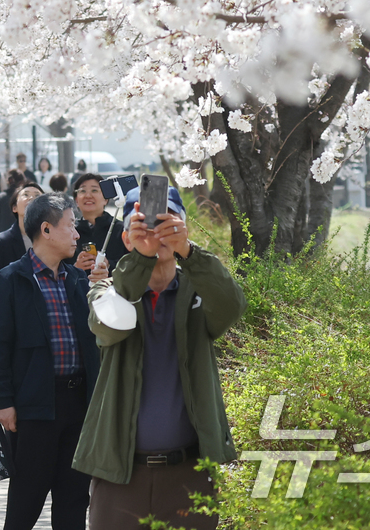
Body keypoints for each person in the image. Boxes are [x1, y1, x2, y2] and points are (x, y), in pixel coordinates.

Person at [73, 193, 246, 530]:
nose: (157, 232)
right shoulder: (105, 290)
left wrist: (191, 253)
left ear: (183, 228)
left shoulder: (199, 288)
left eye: (168, 222)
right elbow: (109, 326)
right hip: (120, 474)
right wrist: (140, 260)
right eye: (147, 224)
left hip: (189, 472)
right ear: (126, 237)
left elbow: (231, 306)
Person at [0, 195, 103, 530]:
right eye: (70, 226)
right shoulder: (9, 281)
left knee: (74, 499)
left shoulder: (77, 280)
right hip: (34, 407)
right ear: (46, 229)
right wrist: (3, 401)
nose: (77, 235)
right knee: (26, 501)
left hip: (78, 405)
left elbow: (95, 344)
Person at [0, 181, 41, 292]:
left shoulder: (54, 240)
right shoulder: (1, 242)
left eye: (37, 196)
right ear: (14, 207)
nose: (32, 198)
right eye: (26, 194)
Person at [71, 172, 128, 273]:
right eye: (82, 191)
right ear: (76, 200)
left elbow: (131, 265)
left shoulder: (121, 230)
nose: (88, 195)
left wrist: (109, 264)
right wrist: (75, 268)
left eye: (94, 190)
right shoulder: (70, 232)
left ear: (106, 199)